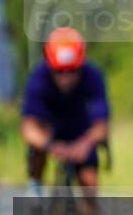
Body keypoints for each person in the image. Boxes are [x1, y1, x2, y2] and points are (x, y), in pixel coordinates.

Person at [21, 27, 110, 202]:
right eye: (59, 71)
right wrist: (51, 146)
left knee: (90, 186)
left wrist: (84, 145)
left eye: (72, 71)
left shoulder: (93, 76)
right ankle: (35, 186)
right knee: (36, 149)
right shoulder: (38, 79)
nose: (66, 78)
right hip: (50, 131)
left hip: (81, 132)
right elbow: (28, 128)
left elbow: (102, 127)